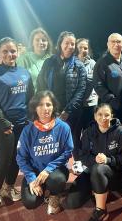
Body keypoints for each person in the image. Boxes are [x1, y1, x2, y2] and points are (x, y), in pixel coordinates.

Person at [0, 37, 34, 209]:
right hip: (1, 126)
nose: (9, 54)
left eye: (12, 51)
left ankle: (9, 187)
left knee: (17, 159)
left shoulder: (25, 73)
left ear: (18, 52)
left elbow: (30, 98)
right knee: (3, 160)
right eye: (5, 51)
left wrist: (29, 119)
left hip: (22, 125)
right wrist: (4, 121)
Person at [64, 103, 122, 221]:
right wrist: (94, 159)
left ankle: (101, 210)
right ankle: (96, 189)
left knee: (98, 168)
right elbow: (83, 156)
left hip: (114, 173)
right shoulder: (89, 132)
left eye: (107, 115)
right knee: (72, 202)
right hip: (91, 171)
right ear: (95, 116)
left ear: (111, 116)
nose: (103, 118)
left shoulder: (121, 132)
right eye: (100, 114)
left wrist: (108, 160)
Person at [16, 91, 73, 214]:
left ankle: (54, 195)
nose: (45, 109)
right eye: (40, 105)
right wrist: (31, 179)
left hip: (55, 171)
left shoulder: (63, 127)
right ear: (35, 108)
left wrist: (48, 169)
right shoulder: (28, 130)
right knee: (31, 202)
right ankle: (41, 188)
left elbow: (68, 152)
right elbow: (21, 158)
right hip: (35, 171)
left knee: (57, 180)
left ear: (54, 107)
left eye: (48, 104)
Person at [37, 31, 87, 159]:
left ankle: (76, 162)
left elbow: (81, 90)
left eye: (72, 44)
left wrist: (67, 111)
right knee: (51, 139)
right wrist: (46, 105)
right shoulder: (49, 62)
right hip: (51, 109)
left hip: (71, 111)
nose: (70, 46)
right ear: (60, 44)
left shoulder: (79, 66)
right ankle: (52, 166)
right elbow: (41, 83)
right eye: (67, 43)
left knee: (73, 137)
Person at [93, 33, 122, 124]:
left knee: (119, 132)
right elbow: (98, 85)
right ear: (108, 44)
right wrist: (112, 100)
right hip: (109, 109)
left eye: (119, 42)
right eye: (113, 42)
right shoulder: (102, 63)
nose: (116, 44)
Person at [75, 38, 98, 130]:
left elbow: (95, 82)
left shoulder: (93, 64)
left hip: (90, 104)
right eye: (80, 47)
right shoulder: (72, 63)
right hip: (76, 104)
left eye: (85, 48)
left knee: (90, 132)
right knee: (75, 132)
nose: (83, 50)